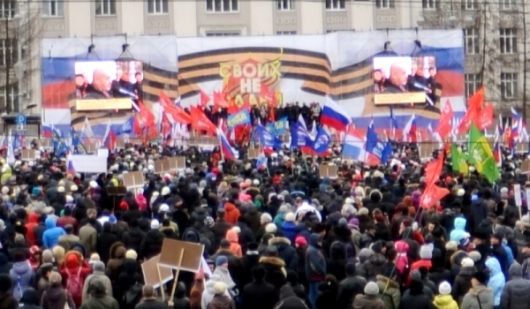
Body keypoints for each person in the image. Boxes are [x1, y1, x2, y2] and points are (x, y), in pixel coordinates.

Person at [305, 233, 326, 308]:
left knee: (312, 295)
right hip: (316, 277)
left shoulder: (313, 249)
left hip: (314, 277)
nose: (320, 242)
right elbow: (315, 265)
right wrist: (322, 272)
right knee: (316, 296)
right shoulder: (313, 251)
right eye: (318, 241)